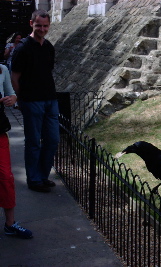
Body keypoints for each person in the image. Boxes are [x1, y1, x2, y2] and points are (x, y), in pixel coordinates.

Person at [11, 9, 59, 193]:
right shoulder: (22, 48)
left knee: (53, 140)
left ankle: (42, 175)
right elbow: (15, 77)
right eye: (39, 25)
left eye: (46, 26)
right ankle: (34, 179)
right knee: (33, 142)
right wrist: (21, 99)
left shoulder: (48, 47)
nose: (42, 29)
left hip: (50, 100)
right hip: (32, 102)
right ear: (32, 24)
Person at [0, 63, 33, 238]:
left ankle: (10, 224)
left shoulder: (2, 70)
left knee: (5, 177)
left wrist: (12, 99)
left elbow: (10, 94)